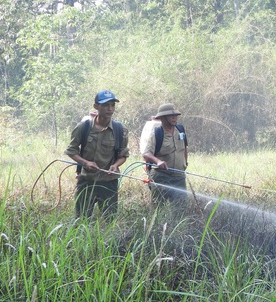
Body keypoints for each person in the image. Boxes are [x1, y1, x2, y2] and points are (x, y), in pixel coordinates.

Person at [65, 90, 129, 218]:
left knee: (110, 219)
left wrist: (116, 165)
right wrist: (85, 163)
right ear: (96, 106)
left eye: (112, 105)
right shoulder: (84, 127)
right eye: (106, 105)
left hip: (108, 182)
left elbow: (123, 154)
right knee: (82, 219)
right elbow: (71, 150)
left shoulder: (119, 129)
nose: (110, 109)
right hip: (87, 180)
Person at [142, 103, 188, 208]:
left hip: (179, 177)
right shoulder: (157, 133)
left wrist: (185, 164)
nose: (174, 117)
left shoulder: (180, 130)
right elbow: (146, 153)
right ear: (162, 118)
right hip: (161, 177)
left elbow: (185, 148)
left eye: (175, 115)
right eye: (170, 115)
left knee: (180, 209)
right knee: (158, 209)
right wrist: (158, 161)